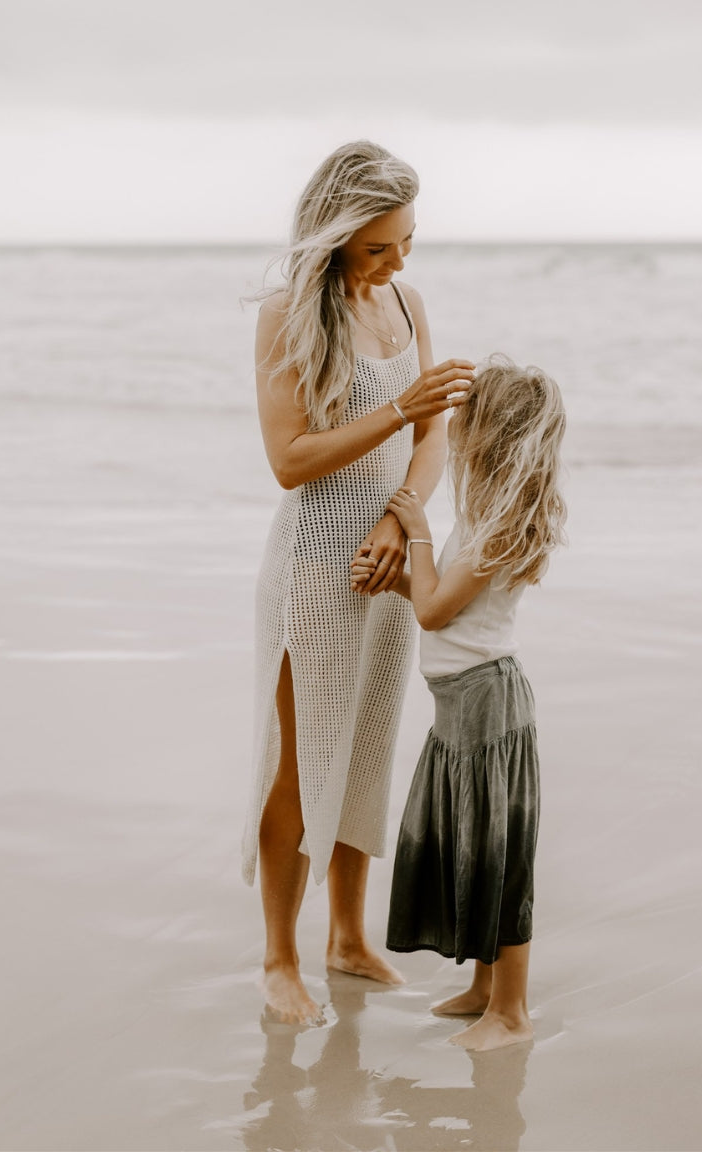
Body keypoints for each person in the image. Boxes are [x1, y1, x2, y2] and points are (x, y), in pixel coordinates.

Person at [241, 140, 475, 1025]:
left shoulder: (408, 302)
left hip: (386, 560)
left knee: (369, 750)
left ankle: (346, 937)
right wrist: (399, 409)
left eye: (405, 241)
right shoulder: (289, 316)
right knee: (299, 769)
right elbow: (289, 462)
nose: (396, 262)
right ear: (335, 237)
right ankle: (277, 957)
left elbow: (432, 438)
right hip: (309, 563)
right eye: (378, 248)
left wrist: (400, 517)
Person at [352, 357, 566, 1051]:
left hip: (485, 708)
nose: (457, 438)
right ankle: (483, 989)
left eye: (465, 426)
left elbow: (438, 612)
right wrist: (396, 583)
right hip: (462, 706)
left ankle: (511, 1012)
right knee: (473, 847)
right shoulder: (486, 517)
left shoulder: (498, 527)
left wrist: (413, 530)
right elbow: (442, 601)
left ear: (491, 437)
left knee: (498, 857)